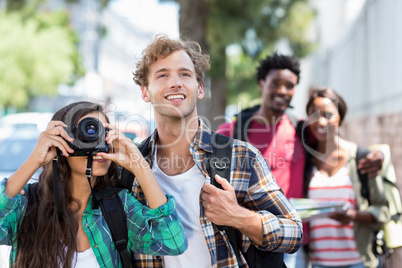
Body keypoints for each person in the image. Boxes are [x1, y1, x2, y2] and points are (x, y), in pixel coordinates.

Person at [131, 35, 303, 267]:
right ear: (145, 92)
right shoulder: (130, 168)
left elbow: (294, 232)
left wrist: (238, 216)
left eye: (185, 74)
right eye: (162, 75)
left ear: (200, 89)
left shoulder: (242, 157)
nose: (175, 82)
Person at [216, 53, 384, 268]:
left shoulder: (303, 130)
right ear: (261, 83)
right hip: (249, 239)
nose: (282, 91)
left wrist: (376, 156)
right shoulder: (235, 131)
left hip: (292, 241)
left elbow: (338, 144)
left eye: (289, 85)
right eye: (275, 83)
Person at [0, 101, 188, 267]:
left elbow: (173, 241)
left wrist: (139, 166)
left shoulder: (118, 206)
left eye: (102, 132)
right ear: (61, 139)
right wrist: (34, 160)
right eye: (86, 133)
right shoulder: (28, 204)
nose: (95, 142)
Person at [304, 87, 390, 268]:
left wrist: (354, 216)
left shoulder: (362, 158)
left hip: (359, 262)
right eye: (314, 114)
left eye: (328, 115)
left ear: (340, 118)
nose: (320, 121)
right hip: (319, 264)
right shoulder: (306, 162)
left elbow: (383, 211)